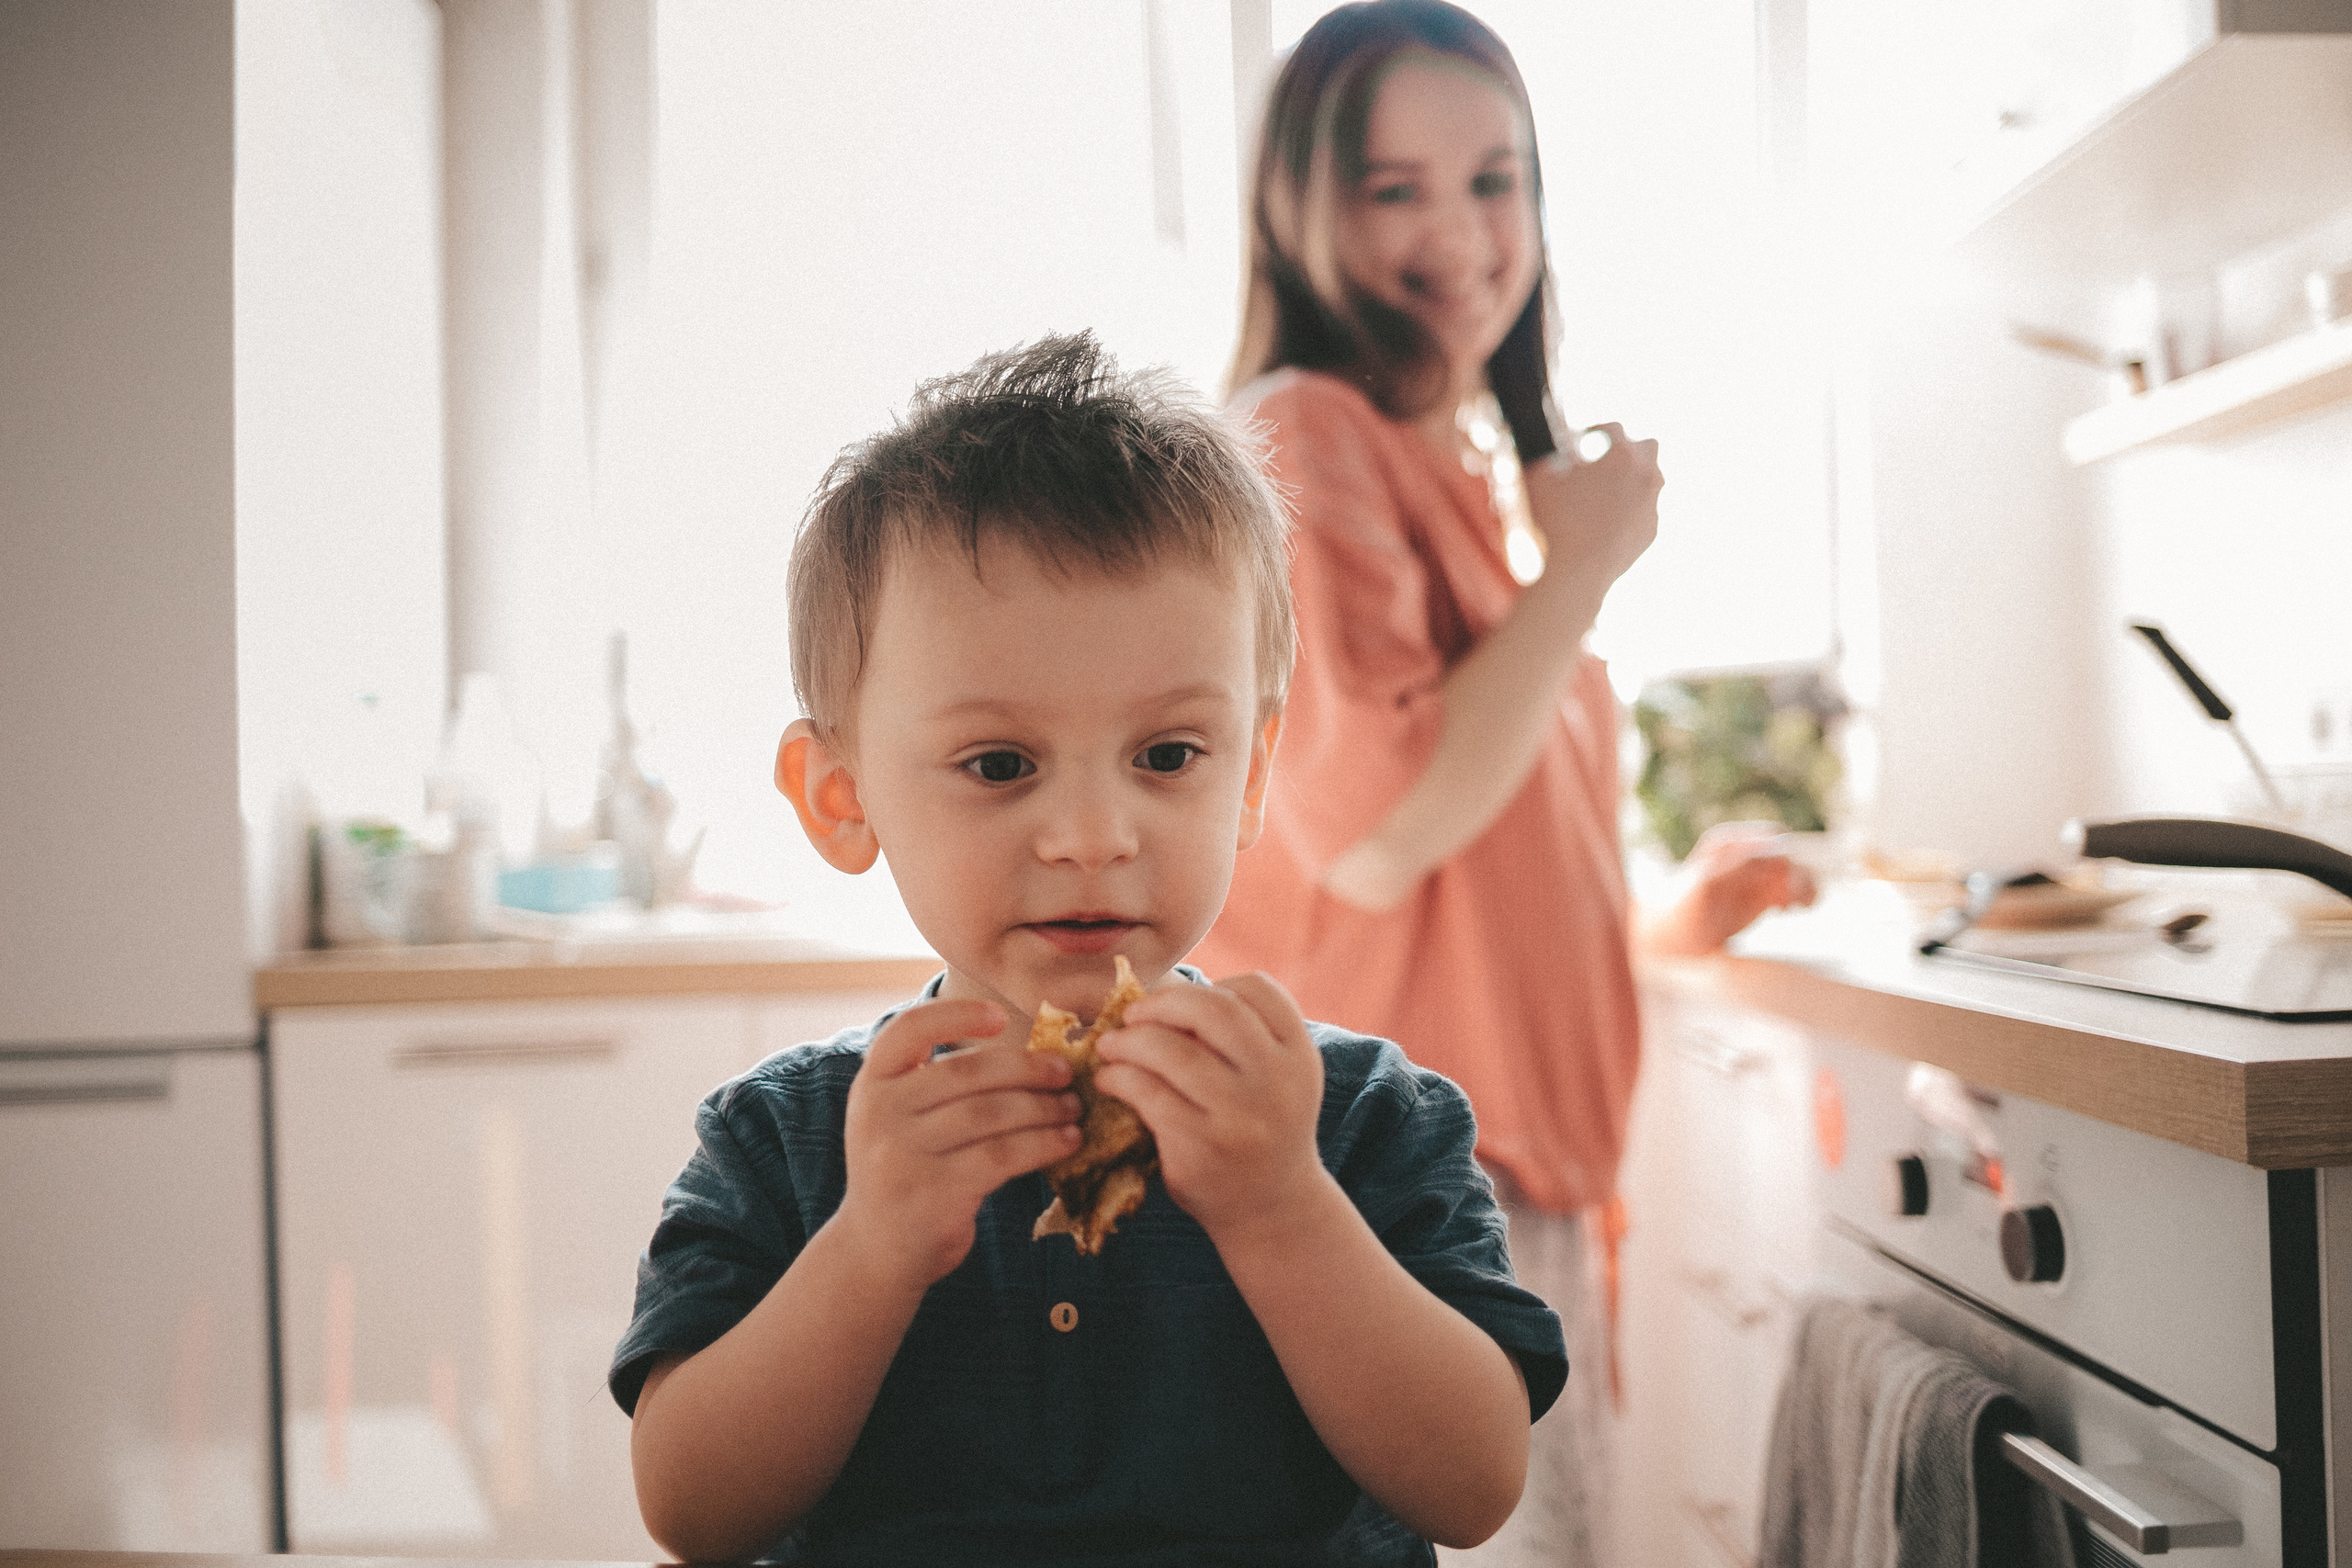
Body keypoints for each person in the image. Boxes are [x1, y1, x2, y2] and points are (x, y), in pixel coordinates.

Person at [608, 333, 1568, 1566]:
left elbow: (1474, 1484)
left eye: (1168, 755)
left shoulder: (1358, 1120)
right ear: (842, 795)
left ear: (1251, 773)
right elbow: (692, 1510)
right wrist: (872, 1247)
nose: (1092, 837)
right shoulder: (787, 1142)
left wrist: (1281, 1209)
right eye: (1000, 765)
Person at [1190, 5, 1816, 1563]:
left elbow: (1460, 853)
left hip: (1471, 1182)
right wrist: (1586, 569)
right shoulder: (1300, 438)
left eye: (1497, 179)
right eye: (1395, 186)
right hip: (1398, 1194)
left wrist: (1668, 926)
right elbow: (1381, 833)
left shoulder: (1444, 463)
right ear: (1299, 207)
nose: (1462, 233)